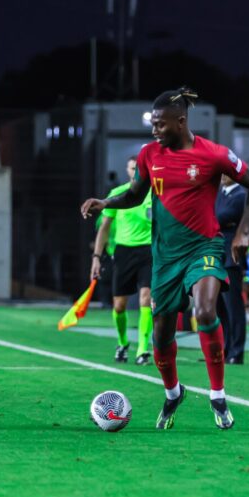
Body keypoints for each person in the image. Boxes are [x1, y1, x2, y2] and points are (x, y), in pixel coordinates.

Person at [80, 87, 249, 430]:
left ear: (181, 122)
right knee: (161, 336)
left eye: (160, 124)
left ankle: (218, 395)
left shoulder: (214, 154)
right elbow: (135, 195)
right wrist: (106, 203)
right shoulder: (150, 155)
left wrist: (242, 232)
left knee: (205, 310)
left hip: (205, 247)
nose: (154, 131)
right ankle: (173, 392)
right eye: (153, 124)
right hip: (164, 257)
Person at [90, 155, 154, 365]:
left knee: (147, 298)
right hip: (124, 252)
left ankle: (143, 350)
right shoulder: (118, 194)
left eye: (138, 168)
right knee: (119, 306)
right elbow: (105, 227)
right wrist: (97, 257)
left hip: (148, 252)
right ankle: (123, 341)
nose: (135, 171)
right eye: (132, 168)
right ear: (127, 170)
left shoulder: (154, 194)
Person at [216, 173, 247, 365]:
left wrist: (218, 220)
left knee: (233, 307)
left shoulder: (241, 195)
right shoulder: (220, 194)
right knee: (220, 307)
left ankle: (237, 351)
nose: (223, 176)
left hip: (231, 256)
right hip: (217, 254)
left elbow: (218, 217)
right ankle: (225, 349)